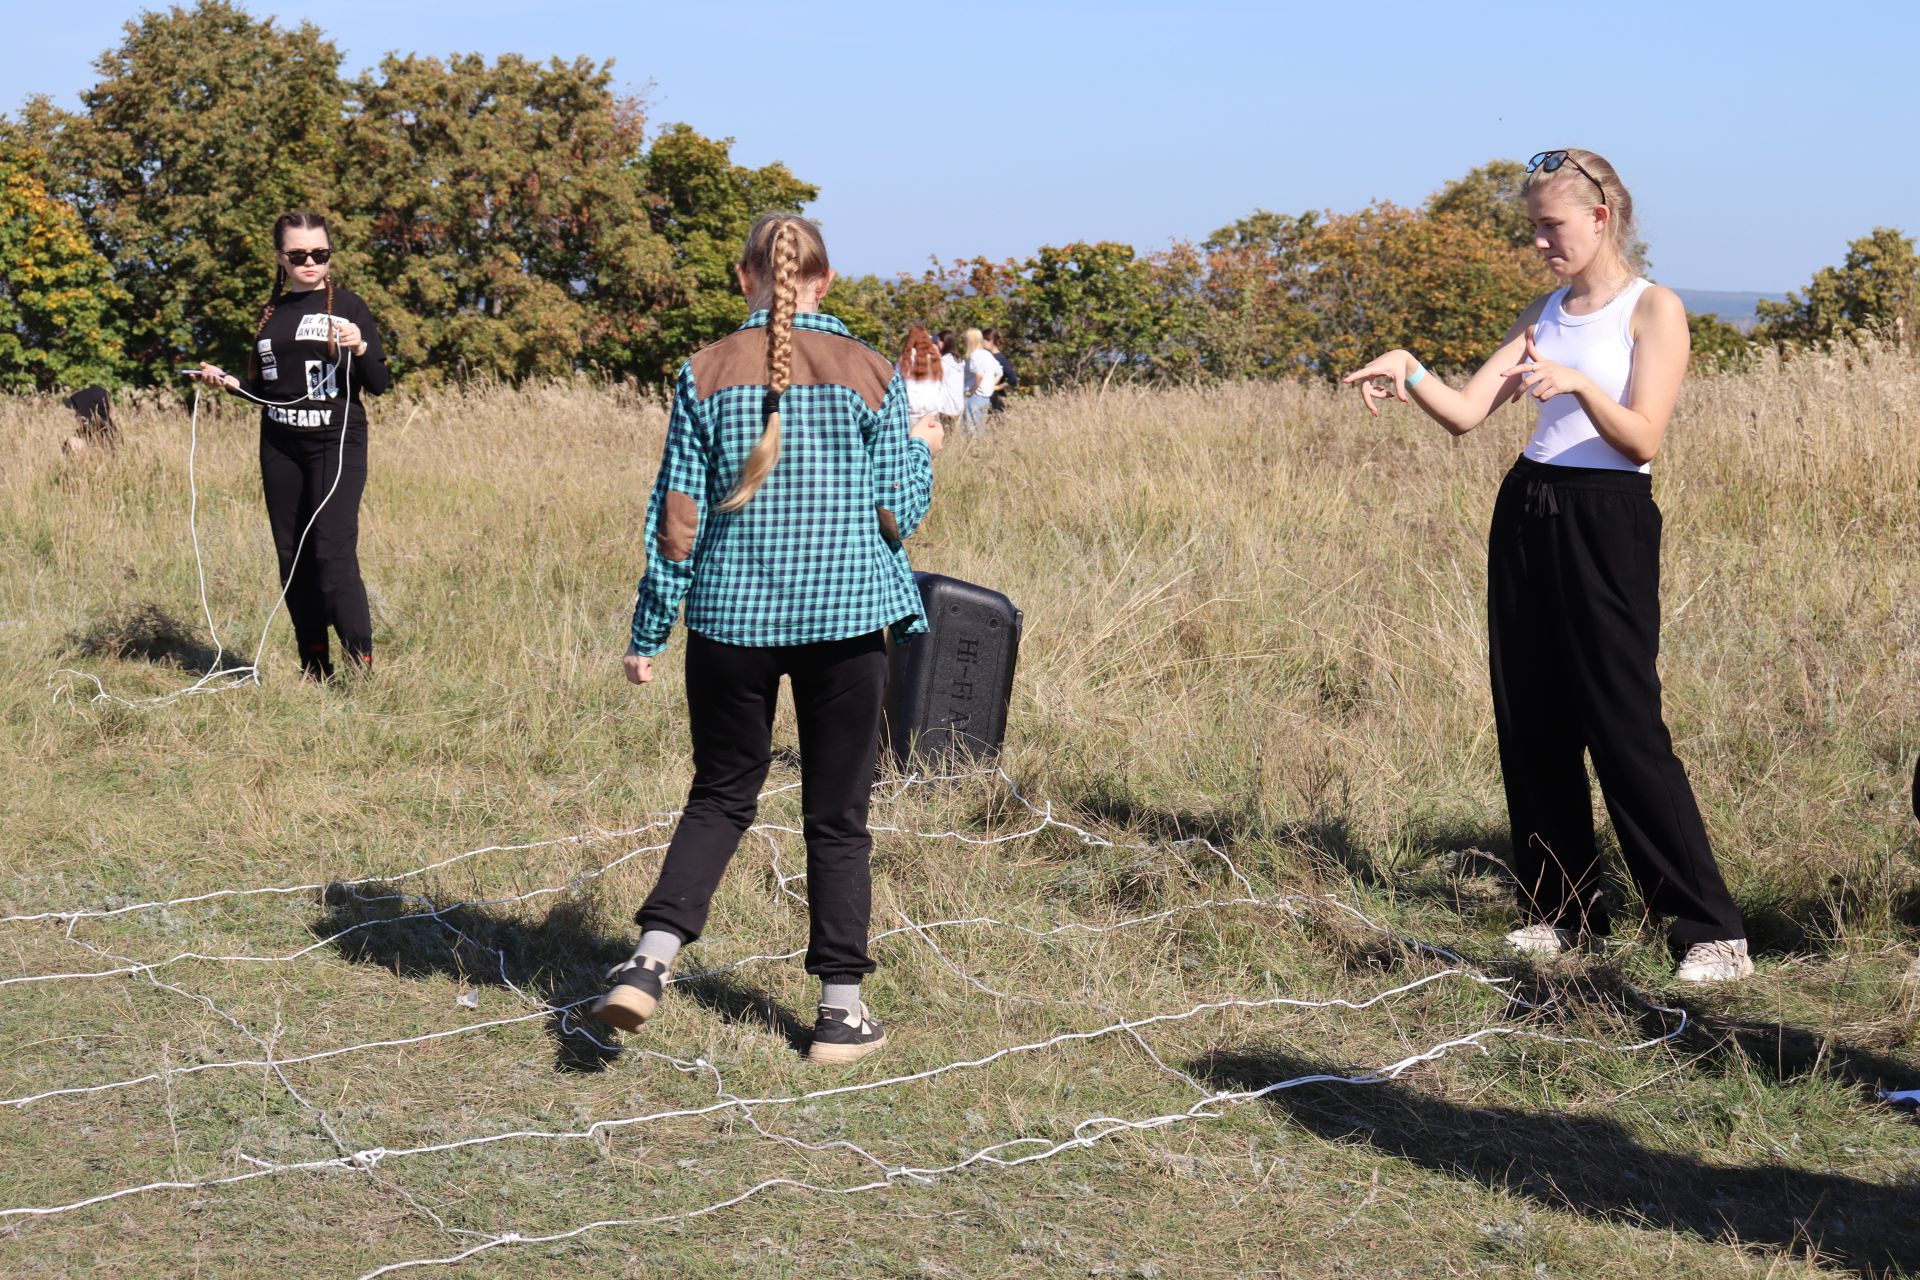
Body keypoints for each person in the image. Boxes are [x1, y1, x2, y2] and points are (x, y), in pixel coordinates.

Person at [1341, 148, 1751, 984]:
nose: (1539, 242)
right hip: (1527, 506)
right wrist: (1408, 368)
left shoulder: (1654, 309)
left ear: (1600, 219)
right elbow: (1463, 415)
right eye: (1532, 227)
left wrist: (1576, 386)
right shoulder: (1546, 310)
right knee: (1531, 718)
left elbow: (1642, 437)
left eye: (1550, 226)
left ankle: (1710, 932)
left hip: (1608, 515)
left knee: (1624, 723)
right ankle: (1561, 912)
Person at [598, 213, 945, 1063]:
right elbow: (898, 515)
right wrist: (926, 447)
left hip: (729, 619)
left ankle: (648, 964)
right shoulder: (871, 371)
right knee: (838, 817)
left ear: (744, 278)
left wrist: (650, 628)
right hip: (849, 621)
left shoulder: (704, 371)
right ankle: (839, 1013)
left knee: (720, 795)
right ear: (824, 282)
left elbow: (676, 519)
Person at [190, 212, 390, 681]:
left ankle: (361, 669)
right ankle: (315, 667)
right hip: (279, 444)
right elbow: (268, 391)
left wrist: (360, 347)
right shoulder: (272, 317)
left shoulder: (350, 307)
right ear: (280, 258)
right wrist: (227, 382)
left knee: (331, 553)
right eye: (298, 255)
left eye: (320, 254)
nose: (310, 262)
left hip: (333, 443)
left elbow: (379, 383)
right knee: (292, 555)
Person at [897, 324, 948, 423]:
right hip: (931, 409)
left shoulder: (906, 358)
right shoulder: (934, 357)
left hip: (911, 408)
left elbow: (897, 381)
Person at [962, 327, 999, 432]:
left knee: (971, 430)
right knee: (980, 429)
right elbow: (999, 372)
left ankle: (973, 449)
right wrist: (991, 385)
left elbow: (980, 374)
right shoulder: (987, 354)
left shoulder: (974, 356)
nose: (964, 341)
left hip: (974, 396)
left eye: (966, 339)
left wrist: (973, 390)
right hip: (985, 397)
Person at [984, 328, 1018, 414]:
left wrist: (997, 387)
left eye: (983, 340)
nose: (982, 343)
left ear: (990, 341)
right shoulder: (986, 357)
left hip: (996, 399)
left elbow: (1013, 378)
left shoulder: (1000, 358)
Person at [936, 330, 966, 422]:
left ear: (943, 343)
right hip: (958, 402)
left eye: (938, 341)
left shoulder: (945, 361)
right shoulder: (958, 360)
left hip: (946, 404)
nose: (937, 344)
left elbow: (939, 381)